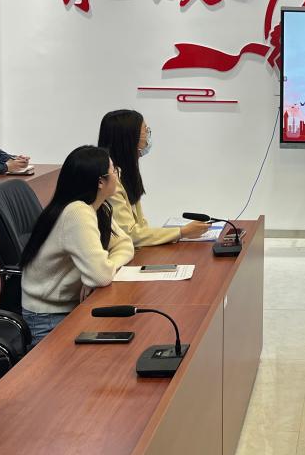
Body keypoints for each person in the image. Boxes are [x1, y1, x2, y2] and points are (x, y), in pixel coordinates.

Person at [19, 146, 134, 345]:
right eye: (114, 171)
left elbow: (125, 244)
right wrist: (96, 274)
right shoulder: (77, 213)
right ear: (100, 182)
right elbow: (101, 276)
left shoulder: (98, 207)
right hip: (48, 317)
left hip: (71, 306)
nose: (118, 175)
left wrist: (99, 272)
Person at [97, 110, 210, 246]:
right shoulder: (109, 181)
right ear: (129, 138)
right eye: (145, 130)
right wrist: (182, 232)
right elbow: (129, 234)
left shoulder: (126, 172)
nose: (148, 135)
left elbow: (141, 226)